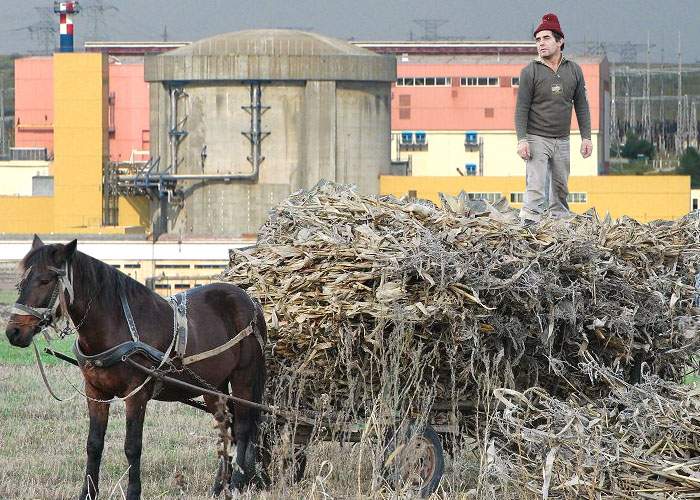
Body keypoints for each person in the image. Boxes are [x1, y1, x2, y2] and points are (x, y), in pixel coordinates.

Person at [515, 13, 592, 223]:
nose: (541, 43)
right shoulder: (529, 71)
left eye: (546, 38)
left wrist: (586, 137)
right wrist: (522, 140)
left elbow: (582, 105)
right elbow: (521, 107)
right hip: (536, 137)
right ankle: (529, 225)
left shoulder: (574, 70)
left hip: (563, 139)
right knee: (536, 185)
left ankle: (560, 225)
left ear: (560, 40)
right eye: (538, 40)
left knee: (561, 187)